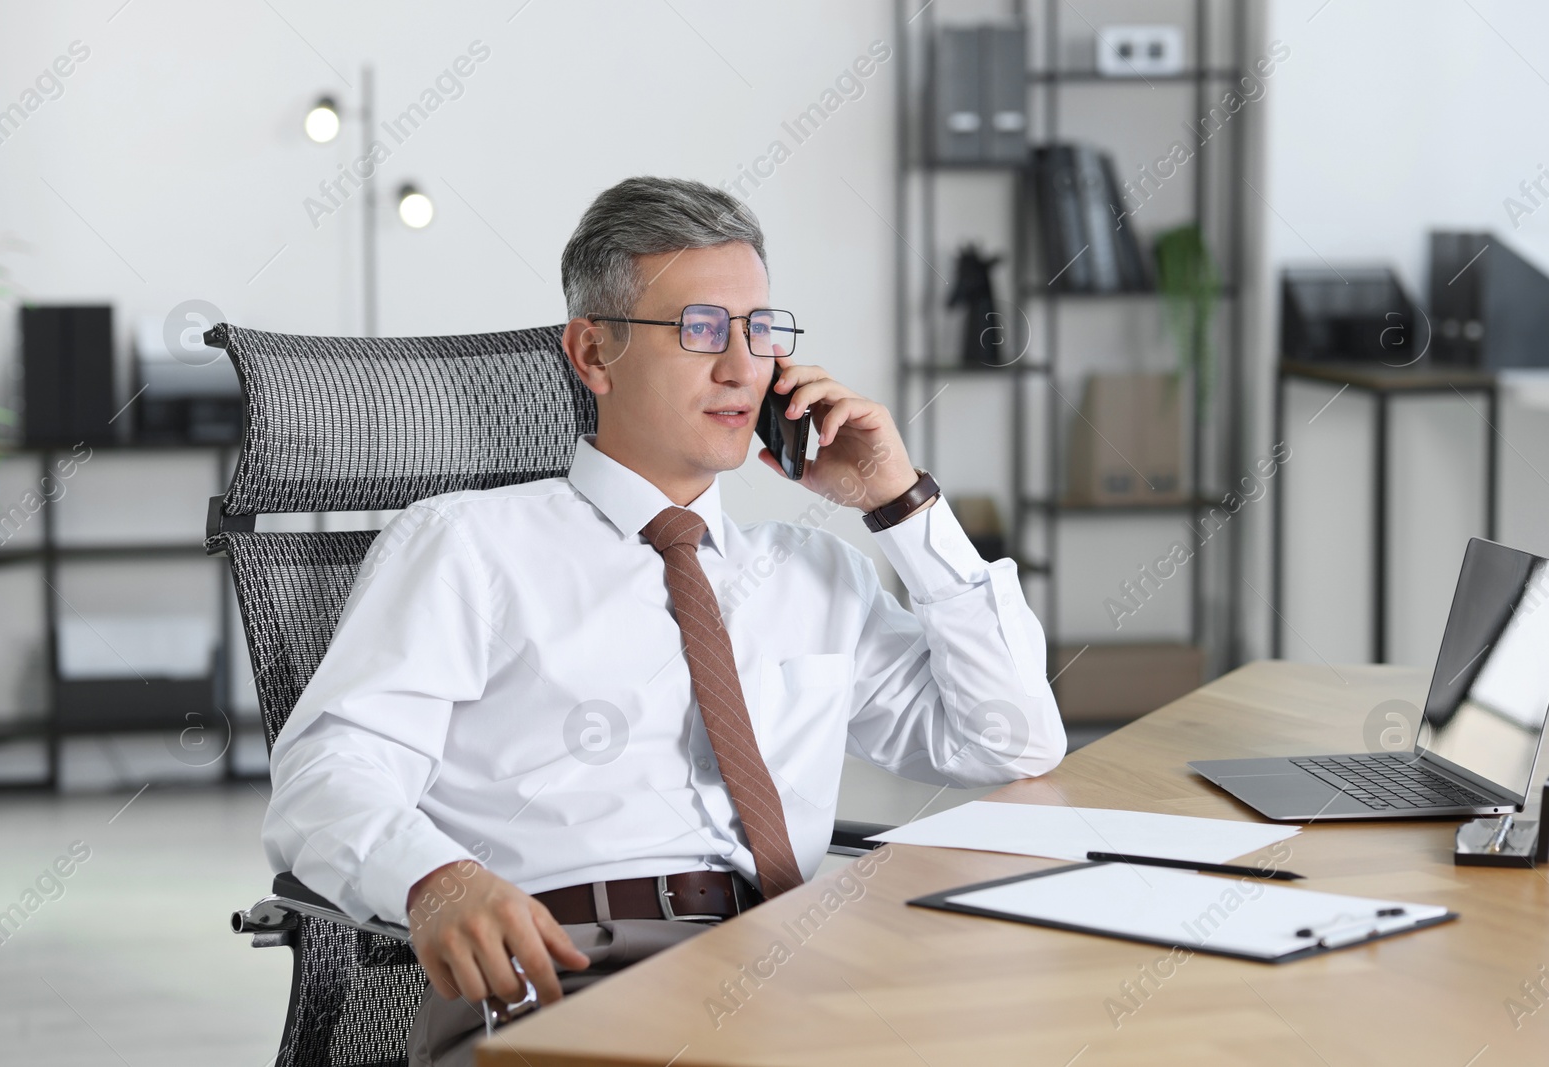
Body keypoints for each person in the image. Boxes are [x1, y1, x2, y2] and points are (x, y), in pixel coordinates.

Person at [261, 176, 1066, 1067]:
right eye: (700, 331)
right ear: (593, 352)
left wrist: (902, 504)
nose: (741, 366)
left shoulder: (811, 573)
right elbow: (327, 772)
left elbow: (1012, 742)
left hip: (795, 966)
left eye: (759, 329)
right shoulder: (469, 544)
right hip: (574, 971)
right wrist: (433, 878)